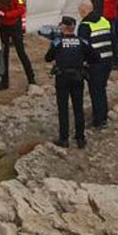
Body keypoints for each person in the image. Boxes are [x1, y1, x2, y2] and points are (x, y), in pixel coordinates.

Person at [47, 15, 96, 148]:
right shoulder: (82, 41)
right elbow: (94, 56)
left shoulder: (58, 42)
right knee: (78, 107)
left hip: (62, 77)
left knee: (63, 108)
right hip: (78, 77)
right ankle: (80, 138)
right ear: (74, 27)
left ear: (63, 27)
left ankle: (64, 139)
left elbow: (48, 58)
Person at [0, 0, 35, 90]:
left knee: (21, 52)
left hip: (14, 25)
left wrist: (5, 14)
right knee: (4, 54)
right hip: (3, 26)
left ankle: (31, 79)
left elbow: (21, 10)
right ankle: (4, 81)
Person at [78, 0, 114, 129]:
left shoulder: (85, 25)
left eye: (80, 12)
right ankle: (103, 116)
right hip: (108, 60)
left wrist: (81, 63)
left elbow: (83, 47)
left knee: (96, 91)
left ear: (83, 11)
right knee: (101, 89)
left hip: (95, 63)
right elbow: (112, 39)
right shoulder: (104, 20)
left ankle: (99, 121)